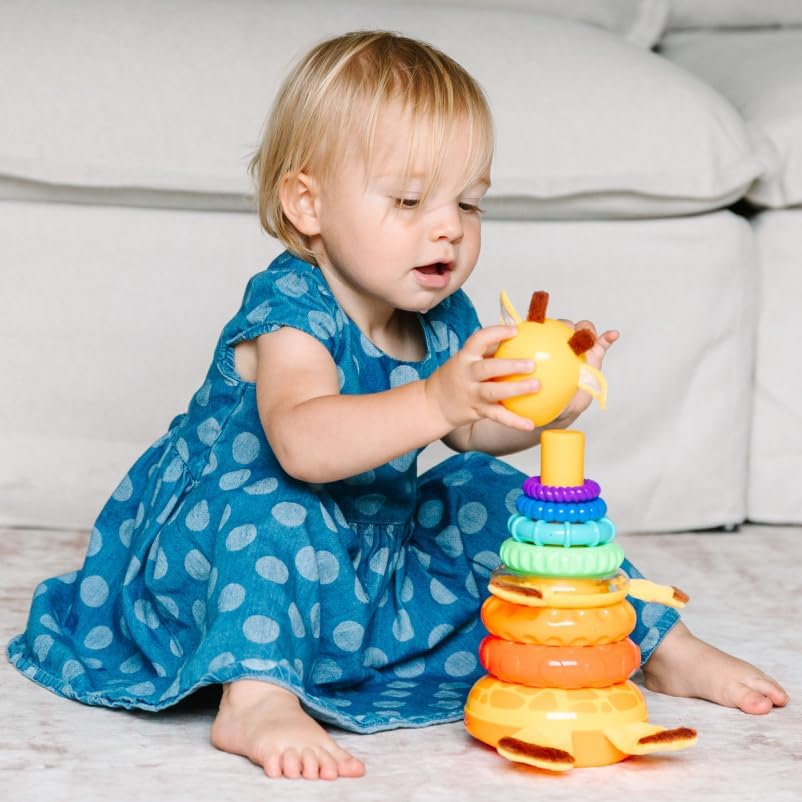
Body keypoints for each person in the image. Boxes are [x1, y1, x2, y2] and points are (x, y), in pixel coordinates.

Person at [8, 30, 787, 782]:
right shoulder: (292, 307)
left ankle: (658, 642)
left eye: (470, 204)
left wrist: (549, 405)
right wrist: (436, 395)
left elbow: (475, 430)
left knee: (498, 496)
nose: (447, 227)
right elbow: (303, 448)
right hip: (230, 551)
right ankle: (256, 696)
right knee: (280, 509)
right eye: (410, 200)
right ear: (308, 206)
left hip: (363, 551)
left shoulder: (440, 313)